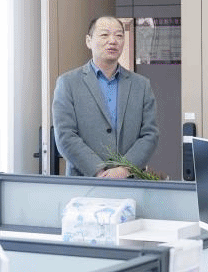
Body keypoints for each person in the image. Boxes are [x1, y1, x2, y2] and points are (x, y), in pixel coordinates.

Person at [52, 16, 158, 177]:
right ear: (89, 41)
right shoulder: (68, 83)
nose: (113, 41)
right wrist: (99, 172)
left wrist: (124, 170)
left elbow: (150, 134)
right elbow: (65, 136)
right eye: (104, 35)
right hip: (84, 182)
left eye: (119, 35)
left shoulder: (141, 85)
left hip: (130, 181)